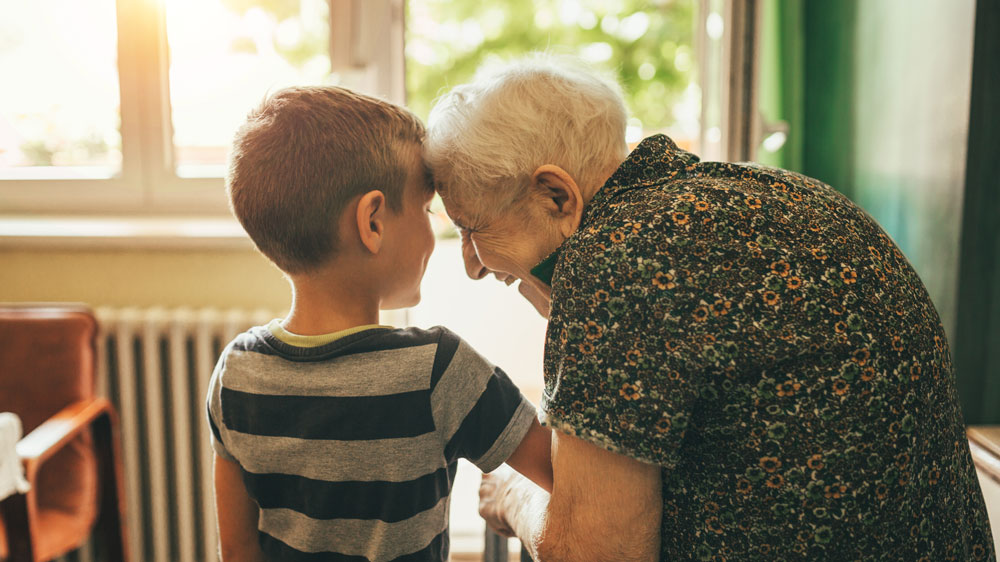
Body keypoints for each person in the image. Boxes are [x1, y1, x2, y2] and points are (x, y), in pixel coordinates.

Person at [424, 55, 995, 561]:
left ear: (557, 196)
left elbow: (597, 553)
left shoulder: (615, 259)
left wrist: (515, 493)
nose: (473, 265)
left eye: (472, 230)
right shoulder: (788, 194)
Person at [206, 86, 552, 562]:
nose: (436, 229)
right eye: (427, 208)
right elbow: (567, 473)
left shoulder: (236, 374)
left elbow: (238, 550)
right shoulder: (439, 370)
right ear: (372, 221)